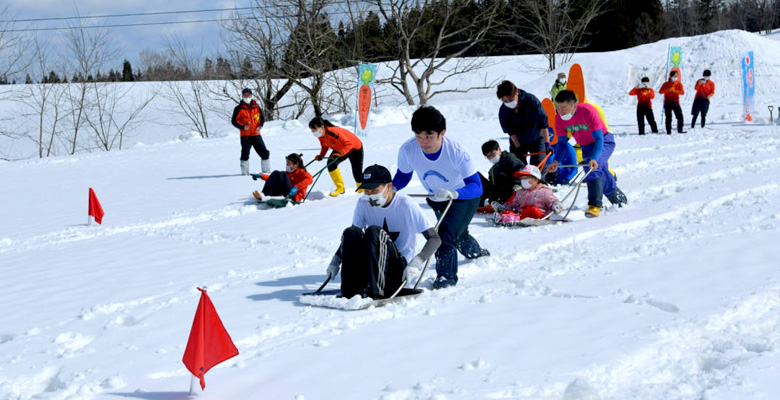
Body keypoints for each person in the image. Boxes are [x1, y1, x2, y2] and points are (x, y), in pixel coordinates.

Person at [392, 106, 490, 289]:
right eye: (418, 135)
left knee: (444, 235)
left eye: (428, 135)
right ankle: (479, 254)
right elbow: (403, 176)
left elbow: (476, 187)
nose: (423, 141)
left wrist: (454, 193)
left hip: (464, 197)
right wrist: (391, 188)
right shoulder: (408, 150)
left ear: (442, 133)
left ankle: (446, 279)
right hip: (437, 198)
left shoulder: (457, 152)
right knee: (457, 234)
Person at [325, 165, 441, 299]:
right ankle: (350, 291)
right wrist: (336, 260)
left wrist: (416, 263)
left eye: (374, 190)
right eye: (366, 191)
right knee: (351, 231)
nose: (370, 195)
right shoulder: (363, 203)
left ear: (389, 186)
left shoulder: (406, 205)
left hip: (397, 268)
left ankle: (377, 291)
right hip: (371, 264)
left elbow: (434, 238)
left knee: (374, 232)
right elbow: (352, 238)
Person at [548, 90, 627, 218]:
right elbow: (562, 143)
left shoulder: (587, 111)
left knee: (592, 170)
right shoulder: (559, 119)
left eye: (564, 107)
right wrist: (556, 161)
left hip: (603, 142)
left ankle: (594, 206)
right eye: (558, 107)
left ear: (574, 104)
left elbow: (599, 139)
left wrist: (594, 158)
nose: (560, 111)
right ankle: (619, 198)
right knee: (601, 173)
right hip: (586, 147)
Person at [496, 80, 551, 166]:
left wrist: (547, 143)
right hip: (518, 141)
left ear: (517, 92)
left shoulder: (531, 101)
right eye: (505, 101)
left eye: (511, 99)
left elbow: (542, 123)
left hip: (536, 139)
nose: (509, 103)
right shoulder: (504, 111)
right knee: (518, 166)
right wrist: (518, 147)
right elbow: (511, 131)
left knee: (538, 166)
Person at [309, 117, 364, 196]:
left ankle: (361, 190)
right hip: (341, 148)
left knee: (357, 172)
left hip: (355, 149)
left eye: (314, 130)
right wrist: (321, 155)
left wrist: (341, 153)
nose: (313, 132)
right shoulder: (320, 135)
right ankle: (340, 188)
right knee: (331, 164)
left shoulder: (333, 132)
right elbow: (324, 146)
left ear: (322, 127)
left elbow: (349, 144)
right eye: (312, 130)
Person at [491, 165, 562, 222]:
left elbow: (552, 201)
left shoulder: (544, 191)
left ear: (535, 179)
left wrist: (556, 205)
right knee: (508, 212)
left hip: (538, 217)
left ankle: (509, 219)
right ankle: (506, 217)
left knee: (532, 210)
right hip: (521, 215)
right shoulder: (520, 192)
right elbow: (513, 206)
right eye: (522, 178)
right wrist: (503, 208)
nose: (523, 180)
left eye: (526, 178)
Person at [231, 88, 270, 175]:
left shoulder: (257, 107)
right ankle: (245, 174)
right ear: (242, 96)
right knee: (245, 154)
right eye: (245, 95)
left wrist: (260, 126)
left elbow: (262, 119)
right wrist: (242, 127)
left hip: (256, 134)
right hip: (246, 136)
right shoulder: (238, 108)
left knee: (264, 153)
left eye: (248, 95)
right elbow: (234, 121)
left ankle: (266, 172)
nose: (247, 97)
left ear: (251, 96)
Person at [478, 139, 525, 208]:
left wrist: (517, 185)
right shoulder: (493, 170)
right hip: (498, 193)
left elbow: (521, 170)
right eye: (488, 156)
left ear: (499, 150)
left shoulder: (510, 159)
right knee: (476, 176)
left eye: (493, 154)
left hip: (510, 192)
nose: (491, 158)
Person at [659, 70, 686, 134]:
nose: (675, 77)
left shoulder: (678, 83)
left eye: (676, 76)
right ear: (670, 76)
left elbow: (682, 92)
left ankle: (680, 130)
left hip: (675, 102)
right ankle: (668, 131)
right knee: (668, 117)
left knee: (680, 116)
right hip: (667, 102)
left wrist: (675, 91)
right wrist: (667, 90)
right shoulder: (666, 84)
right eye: (674, 76)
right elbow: (660, 91)